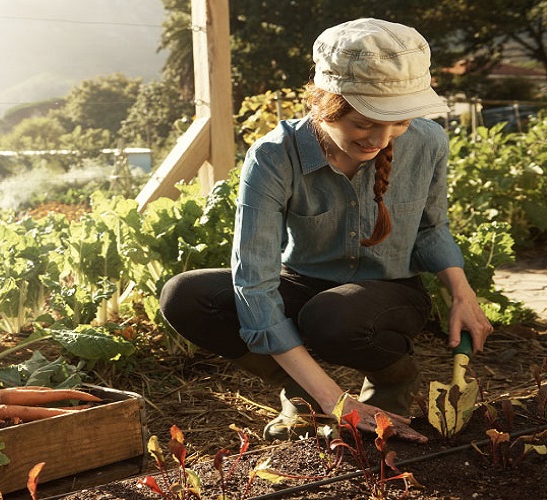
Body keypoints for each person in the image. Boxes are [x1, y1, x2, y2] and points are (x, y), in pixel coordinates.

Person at [158, 18, 494, 443]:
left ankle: (393, 382)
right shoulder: (274, 157)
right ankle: (305, 396)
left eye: (399, 122)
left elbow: (430, 228)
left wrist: (462, 294)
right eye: (363, 123)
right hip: (301, 281)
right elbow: (254, 284)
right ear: (324, 104)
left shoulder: (428, 142)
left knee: (333, 317)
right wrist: (335, 400)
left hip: (388, 292)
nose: (382, 139)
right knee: (186, 296)